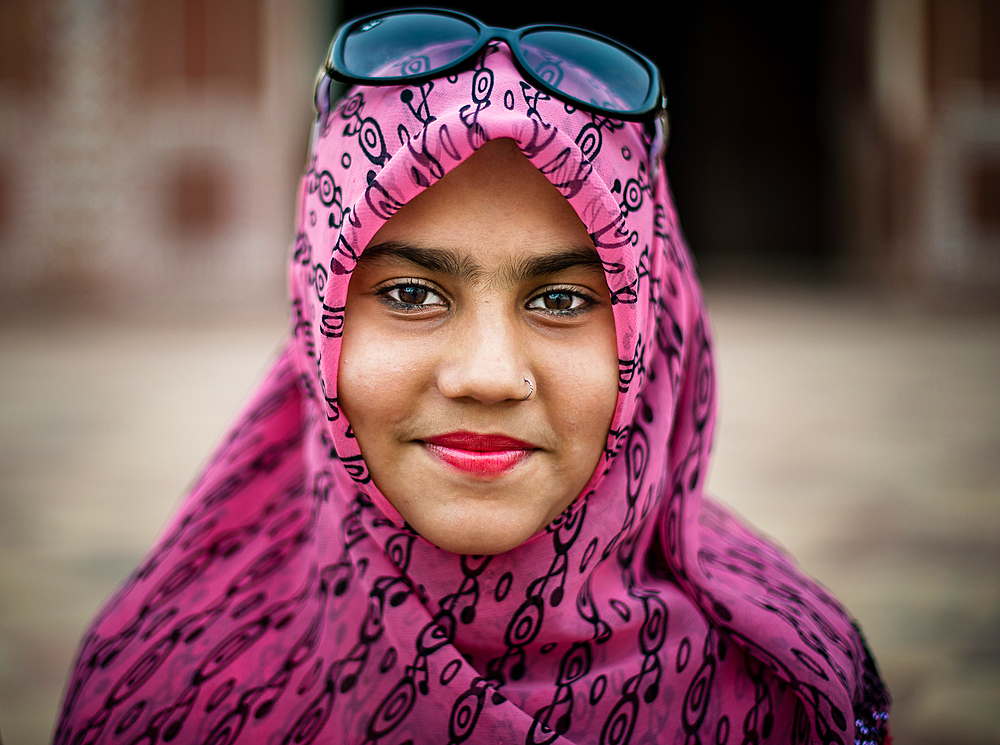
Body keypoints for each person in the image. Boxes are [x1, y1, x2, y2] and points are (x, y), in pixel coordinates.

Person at [54, 9, 890, 744]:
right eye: (412, 293)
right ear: (319, 320)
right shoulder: (168, 680)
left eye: (563, 299)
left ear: (654, 340)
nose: (489, 376)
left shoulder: (791, 688)